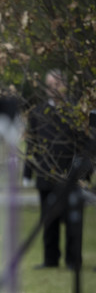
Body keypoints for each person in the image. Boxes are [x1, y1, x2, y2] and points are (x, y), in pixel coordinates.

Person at [23, 69, 91, 269]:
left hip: (71, 176)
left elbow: (85, 145)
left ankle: (73, 260)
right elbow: (32, 145)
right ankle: (50, 260)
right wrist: (27, 174)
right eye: (50, 85)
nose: (54, 89)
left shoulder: (76, 112)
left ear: (65, 85)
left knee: (73, 221)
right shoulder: (37, 113)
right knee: (48, 221)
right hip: (45, 175)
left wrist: (86, 174)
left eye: (57, 84)